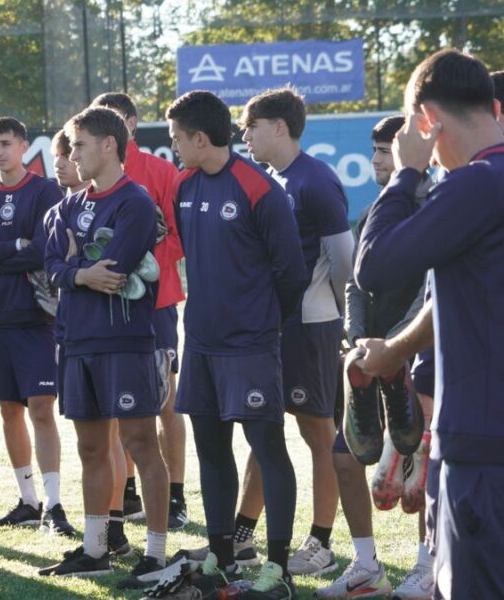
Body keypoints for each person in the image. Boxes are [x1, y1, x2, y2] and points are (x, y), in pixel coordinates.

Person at [353, 49, 504, 600]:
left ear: (425, 122)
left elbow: (372, 267)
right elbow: (459, 294)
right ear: (493, 106)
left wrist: (408, 170)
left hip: (485, 444)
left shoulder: (477, 183)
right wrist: (395, 349)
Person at [167, 90, 307, 598]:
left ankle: (278, 568)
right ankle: (221, 558)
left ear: (200, 138)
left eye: (178, 138)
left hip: (249, 346)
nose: (174, 147)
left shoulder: (258, 187)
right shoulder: (182, 186)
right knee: (211, 452)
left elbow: (291, 272)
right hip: (201, 344)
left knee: (268, 449)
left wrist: (262, 323)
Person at [38, 106, 171, 590]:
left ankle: (155, 554)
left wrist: (77, 266)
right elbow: (51, 264)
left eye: (78, 145)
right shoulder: (62, 209)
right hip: (75, 342)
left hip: (124, 341)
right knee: (90, 446)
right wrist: (77, 272)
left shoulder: (135, 202)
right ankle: (95, 550)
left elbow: (116, 266)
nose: (71, 155)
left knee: (140, 444)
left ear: (108, 146)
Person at [228, 87, 353, 576]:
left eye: (252, 127)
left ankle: (321, 543)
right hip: (277, 325)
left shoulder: (315, 181)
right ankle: (241, 533)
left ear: (279, 127)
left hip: (312, 325)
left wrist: (334, 315)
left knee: (319, 433)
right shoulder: (273, 178)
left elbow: (345, 260)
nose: (245, 136)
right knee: (265, 426)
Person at [314, 115, 435, 600]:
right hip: (366, 361)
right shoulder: (373, 213)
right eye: (376, 151)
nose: (376, 161)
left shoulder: (438, 211)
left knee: (422, 471)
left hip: (416, 363)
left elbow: (432, 291)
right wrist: (359, 337)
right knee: (345, 458)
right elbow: (354, 284)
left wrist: (399, 344)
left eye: (385, 151)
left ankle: (427, 566)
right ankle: (366, 566)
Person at [0, 117, 71, 535]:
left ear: (24, 146)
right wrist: (18, 245)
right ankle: (28, 501)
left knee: (41, 407)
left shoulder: (44, 190)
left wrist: (1, 250)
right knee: (8, 409)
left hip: (37, 314)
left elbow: (46, 250)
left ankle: (55, 506)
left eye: (6, 143)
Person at [91, 92, 189, 530]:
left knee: (165, 402)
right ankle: (125, 491)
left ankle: (177, 494)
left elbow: (181, 237)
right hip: (104, 307)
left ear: (131, 123)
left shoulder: (162, 171)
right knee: (113, 408)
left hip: (157, 303)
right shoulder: (91, 173)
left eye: (115, 121)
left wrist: (140, 255)